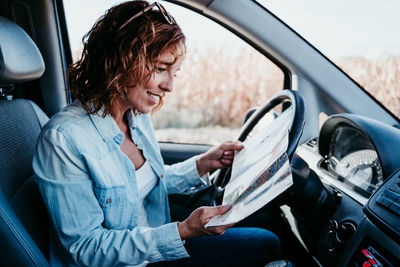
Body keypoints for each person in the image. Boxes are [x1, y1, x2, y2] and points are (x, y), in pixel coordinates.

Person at [33, 1, 281, 266]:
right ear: (120, 60)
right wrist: (183, 230)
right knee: (266, 245)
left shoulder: (136, 117)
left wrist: (203, 163)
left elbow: (142, 184)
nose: (170, 86)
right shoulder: (63, 139)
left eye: (174, 72)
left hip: (155, 248)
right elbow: (86, 248)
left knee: (268, 241)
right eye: (161, 68)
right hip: (131, 260)